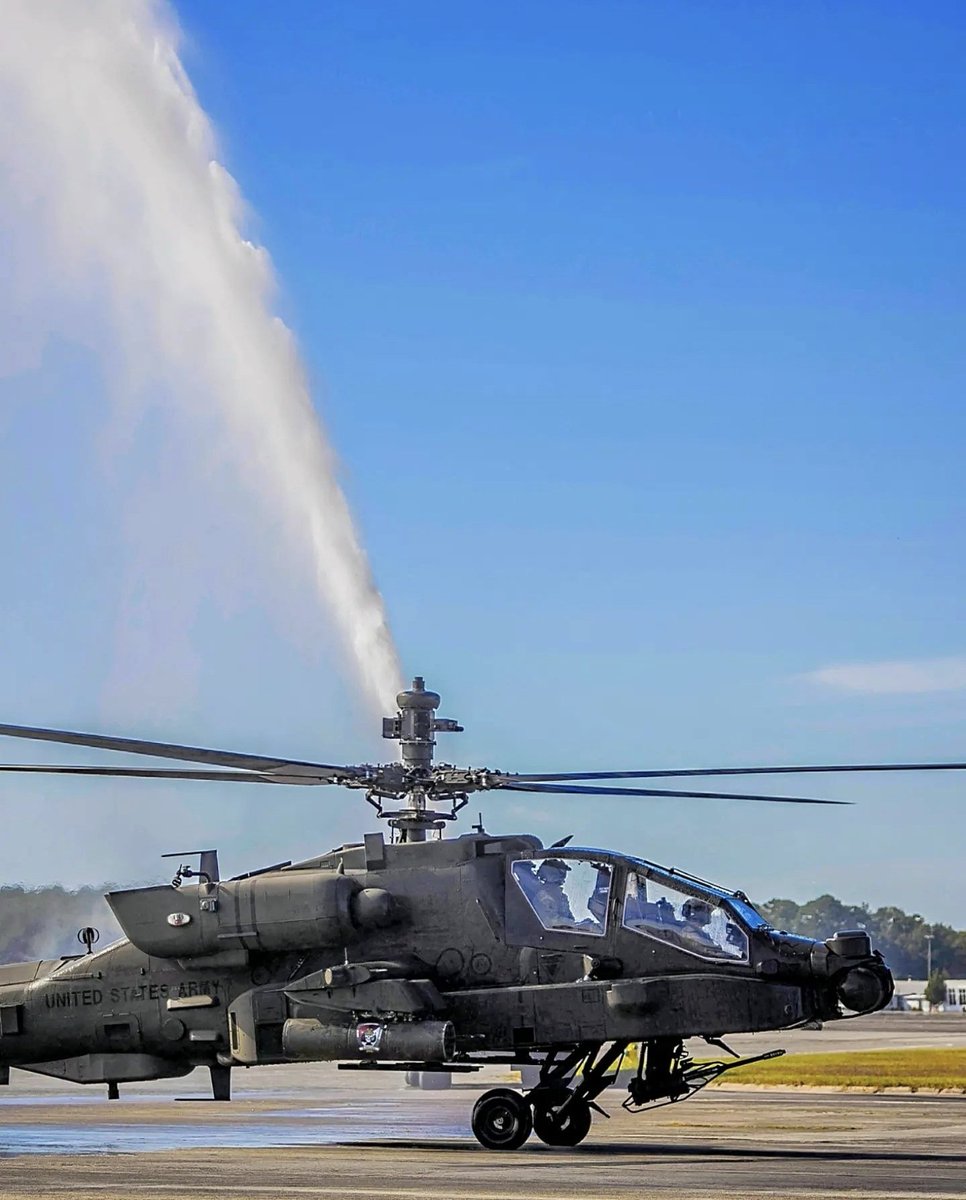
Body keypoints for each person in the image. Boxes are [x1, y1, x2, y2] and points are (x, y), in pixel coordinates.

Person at [530, 859, 575, 928]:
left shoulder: (562, 897)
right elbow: (550, 922)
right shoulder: (542, 897)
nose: (563, 878)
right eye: (562, 872)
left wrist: (582, 926)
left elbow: (571, 920)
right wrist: (576, 925)